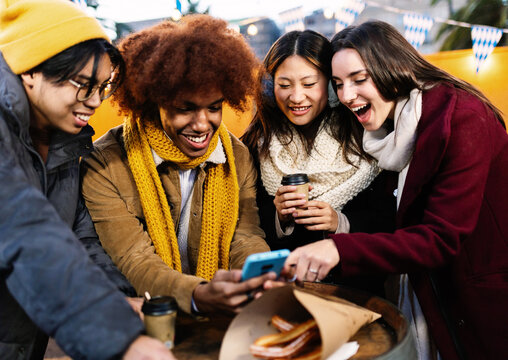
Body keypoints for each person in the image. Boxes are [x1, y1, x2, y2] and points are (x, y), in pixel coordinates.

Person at [284, 20, 508, 360]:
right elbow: (391, 224)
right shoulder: (387, 134)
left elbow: (439, 237)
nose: (346, 96)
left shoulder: (463, 117)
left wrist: (338, 249)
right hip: (432, 295)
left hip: (482, 301)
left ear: (394, 68)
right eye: (339, 84)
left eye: (359, 80)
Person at [0, 0, 175, 359]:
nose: (95, 101)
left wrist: (118, 298)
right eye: (83, 85)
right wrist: (115, 336)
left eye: (102, 87)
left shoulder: (62, 137)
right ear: (30, 70)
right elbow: (20, 228)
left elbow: (78, 236)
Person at [81, 14, 274, 316]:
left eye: (213, 108)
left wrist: (256, 276)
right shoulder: (104, 163)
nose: (202, 124)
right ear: (152, 102)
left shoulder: (237, 157)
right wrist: (197, 294)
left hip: (225, 320)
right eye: (185, 109)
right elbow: (133, 258)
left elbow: (245, 234)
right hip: (145, 321)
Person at [241, 30, 396, 295]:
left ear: (331, 85)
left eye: (309, 83)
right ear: (270, 87)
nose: (297, 97)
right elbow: (246, 228)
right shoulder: (256, 143)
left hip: (359, 293)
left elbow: (392, 223)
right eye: (285, 84)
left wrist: (341, 223)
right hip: (288, 293)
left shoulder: (367, 135)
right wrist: (279, 217)